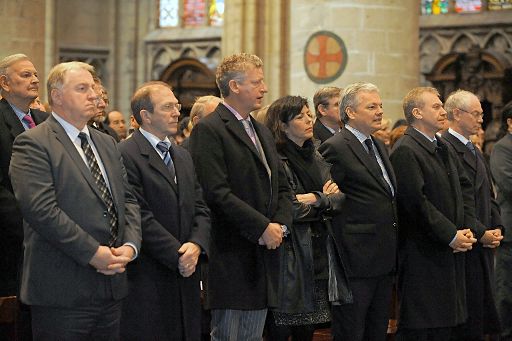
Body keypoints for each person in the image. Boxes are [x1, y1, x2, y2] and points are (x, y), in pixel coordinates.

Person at [9, 61, 141, 340]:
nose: (94, 95)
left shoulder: (106, 142)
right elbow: (42, 211)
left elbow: (127, 200)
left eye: (93, 87)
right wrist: (94, 253)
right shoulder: (33, 143)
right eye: (83, 88)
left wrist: (130, 245)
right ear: (57, 96)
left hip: (112, 286)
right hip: (63, 290)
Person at [189, 52, 293, 341]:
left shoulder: (260, 130)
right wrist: (261, 227)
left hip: (264, 252)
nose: (265, 89)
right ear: (234, 86)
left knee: (252, 336)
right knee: (230, 335)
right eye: (257, 82)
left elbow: (281, 187)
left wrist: (280, 226)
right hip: (232, 254)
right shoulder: (210, 129)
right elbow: (216, 192)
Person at [119, 81, 210, 340]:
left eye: (177, 106)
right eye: (168, 107)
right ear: (145, 116)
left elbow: (201, 206)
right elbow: (137, 212)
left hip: (187, 272)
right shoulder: (126, 152)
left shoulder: (181, 155)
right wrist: (177, 254)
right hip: (150, 275)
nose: (176, 113)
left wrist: (196, 245)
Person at [390, 87, 477, 341]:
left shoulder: (441, 145)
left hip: (447, 249)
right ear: (417, 113)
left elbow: (463, 189)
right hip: (423, 253)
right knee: (424, 326)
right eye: (437, 107)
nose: (443, 111)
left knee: (445, 327)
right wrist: (451, 234)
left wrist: (465, 228)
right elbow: (416, 203)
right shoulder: (406, 149)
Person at [318, 82, 398, 341]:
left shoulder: (378, 145)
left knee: (377, 330)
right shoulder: (336, 146)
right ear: (350, 112)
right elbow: (331, 198)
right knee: (351, 332)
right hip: (355, 258)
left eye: (381, 106)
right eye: (371, 106)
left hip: (384, 256)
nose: (379, 112)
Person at [264, 95, 347, 341]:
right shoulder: (277, 159)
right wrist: (324, 199)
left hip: (318, 255)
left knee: (307, 332)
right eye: (300, 117)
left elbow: (340, 199)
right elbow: (290, 209)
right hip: (291, 258)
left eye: (308, 114)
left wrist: (315, 198)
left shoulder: (316, 155)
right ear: (282, 125)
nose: (309, 120)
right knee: (281, 330)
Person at [442, 89, 503, 340]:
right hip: (466, 243)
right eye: (476, 114)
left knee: (480, 316)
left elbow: (489, 194)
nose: (481, 119)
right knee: (467, 321)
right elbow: (457, 202)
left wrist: (497, 227)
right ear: (457, 114)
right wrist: (481, 233)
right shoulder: (446, 147)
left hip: (484, 243)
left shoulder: (475, 149)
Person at [0, 53, 48, 340]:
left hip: (48, 237)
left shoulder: (45, 120)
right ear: (4, 83)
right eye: (26, 75)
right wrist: (30, 225)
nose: (35, 80)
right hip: (13, 238)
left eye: (35, 74)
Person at [490, 100, 512, 341]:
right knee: (507, 295)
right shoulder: (503, 148)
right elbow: (508, 183)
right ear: (510, 122)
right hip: (511, 234)